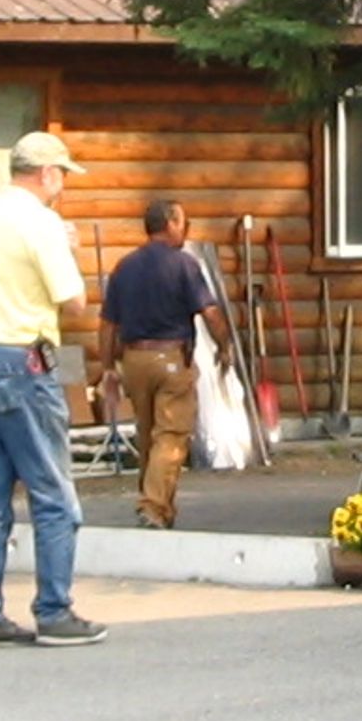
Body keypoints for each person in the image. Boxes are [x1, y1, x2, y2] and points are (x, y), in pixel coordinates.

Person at [0, 131, 107, 648]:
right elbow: (74, 299)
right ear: (45, 174)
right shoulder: (41, 223)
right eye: (61, 175)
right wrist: (67, 247)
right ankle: (54, 609)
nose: (62, 185)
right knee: (53, 493)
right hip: (24, 359)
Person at [93, 198, 241, 530]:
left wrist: (107, 369)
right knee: (172, 435)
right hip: (171, 357)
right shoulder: (184, 265)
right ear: (170, 223)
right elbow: (211, 312)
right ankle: (153, 506)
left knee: (149, 437)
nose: (186, 231)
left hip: (133, 360)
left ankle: (161, 511)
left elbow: (107, 325)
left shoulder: (124, 267)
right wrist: (224, 346)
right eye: (183, 223)